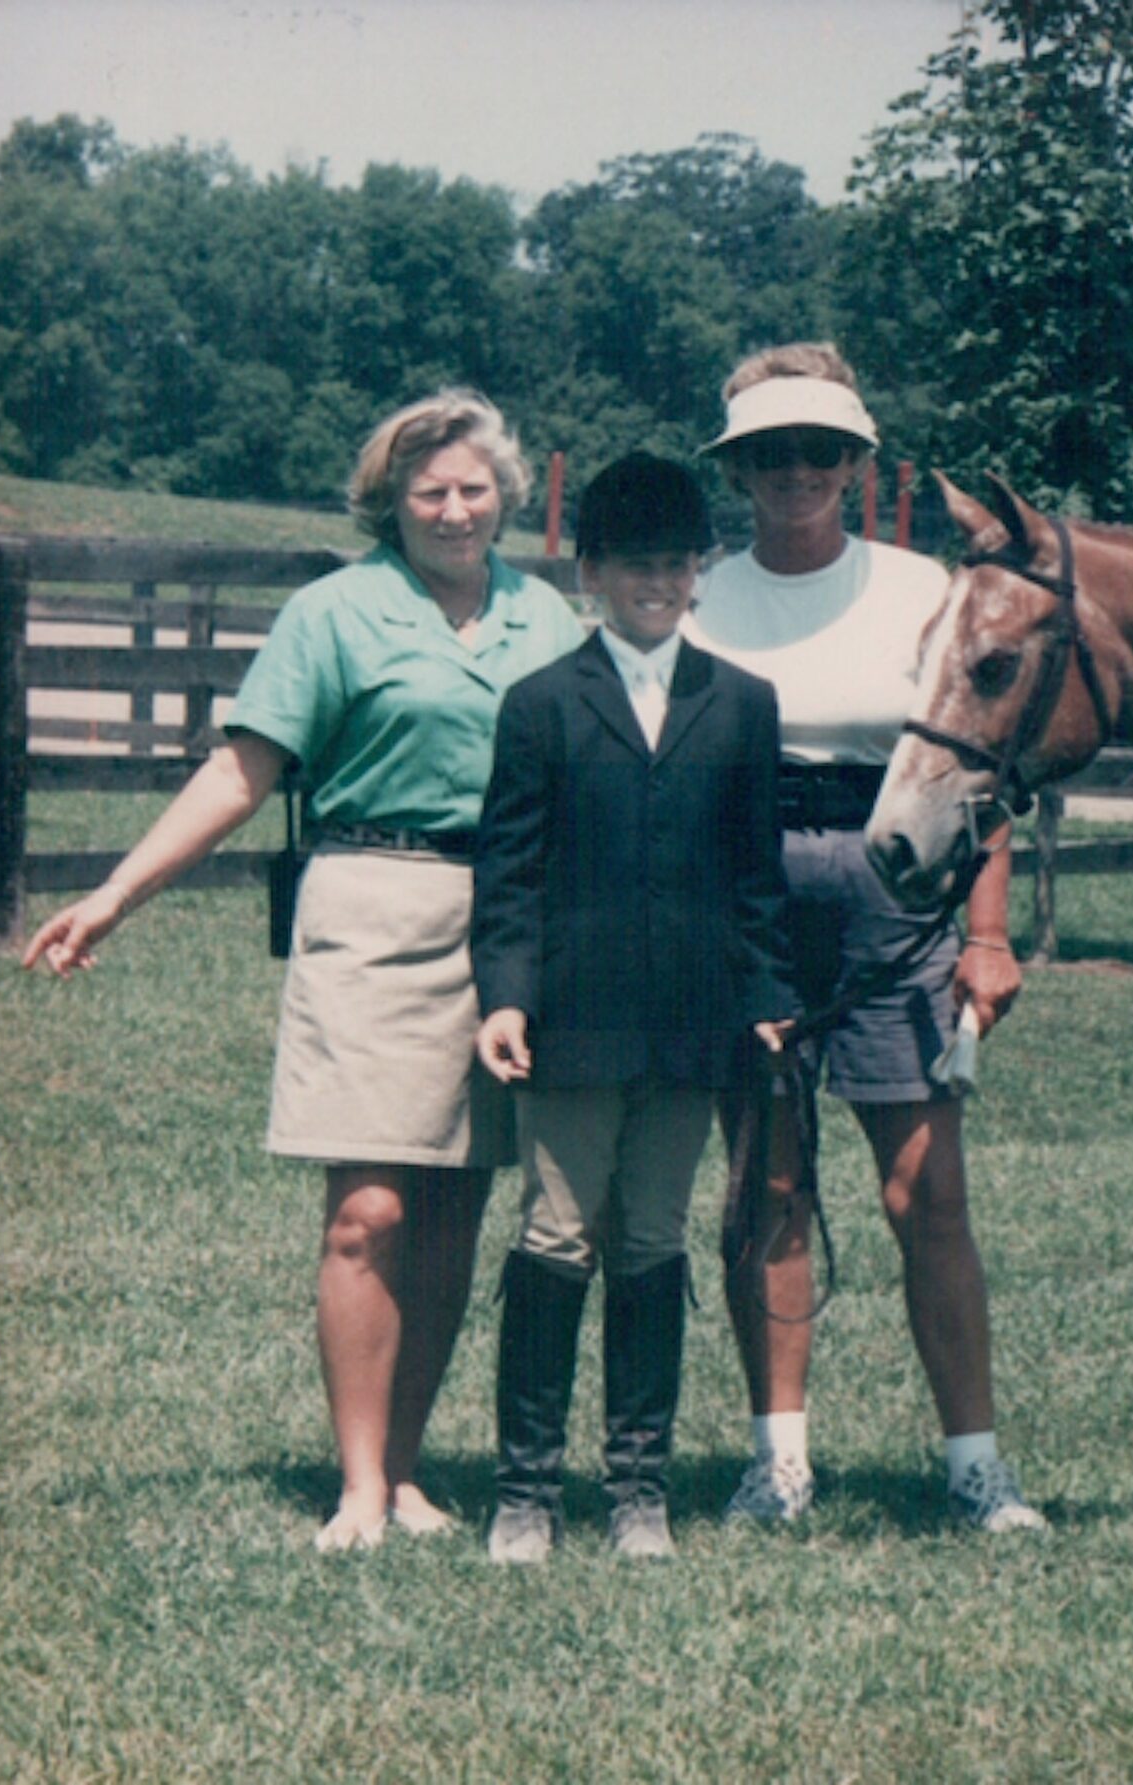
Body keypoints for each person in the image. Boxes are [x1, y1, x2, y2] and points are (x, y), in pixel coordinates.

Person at [21, 389, 586, 1551]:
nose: (453, 507)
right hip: (371, 908)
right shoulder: (332, 615)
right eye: (427, 489)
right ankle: (360, 1485)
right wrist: (116, 896)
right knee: (366, 1213)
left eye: (474, 487)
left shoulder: (551, 618)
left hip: (513, 926)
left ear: (507, 497)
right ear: (389, 500)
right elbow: (241, 774)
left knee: (450, 1210)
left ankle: (414, 1470)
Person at [687, 342, 1043, 1534]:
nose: (795, 474)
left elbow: (972, 762)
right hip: (746, 889)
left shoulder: (918, 590)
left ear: (853, 463)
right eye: (768, 456)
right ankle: (776, 1463)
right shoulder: (702, 592)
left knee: (922, 1190)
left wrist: (984, 935)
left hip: (897, 882)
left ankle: (974, 1468)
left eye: (819, 454)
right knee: (769, 1180)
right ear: (737, 471)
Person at [470, 454, 794, 1563]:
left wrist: (767, 999)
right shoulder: (542, 705)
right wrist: (505, 999)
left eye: (675, 565)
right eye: (634, 567)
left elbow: (757, 877)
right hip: (573, 1023)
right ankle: (526, 1492)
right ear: (591, 571)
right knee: (556, 1235)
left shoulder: (743, 705)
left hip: (695, 1026)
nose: (656, 585)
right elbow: (508, 875)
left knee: (653, 1239)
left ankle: (638, 1490)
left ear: (698, 573)